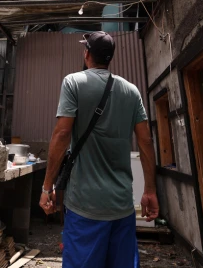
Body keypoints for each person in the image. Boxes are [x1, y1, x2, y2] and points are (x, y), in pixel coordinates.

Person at [39, 31, 159, 268]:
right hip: (122, 205)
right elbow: (146, 142)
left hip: (85, 207)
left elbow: (62, 135)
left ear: (87, 54)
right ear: (109, 58)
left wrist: (47, 186)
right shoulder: (131, 91)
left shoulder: (74, 82)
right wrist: (150, 190)